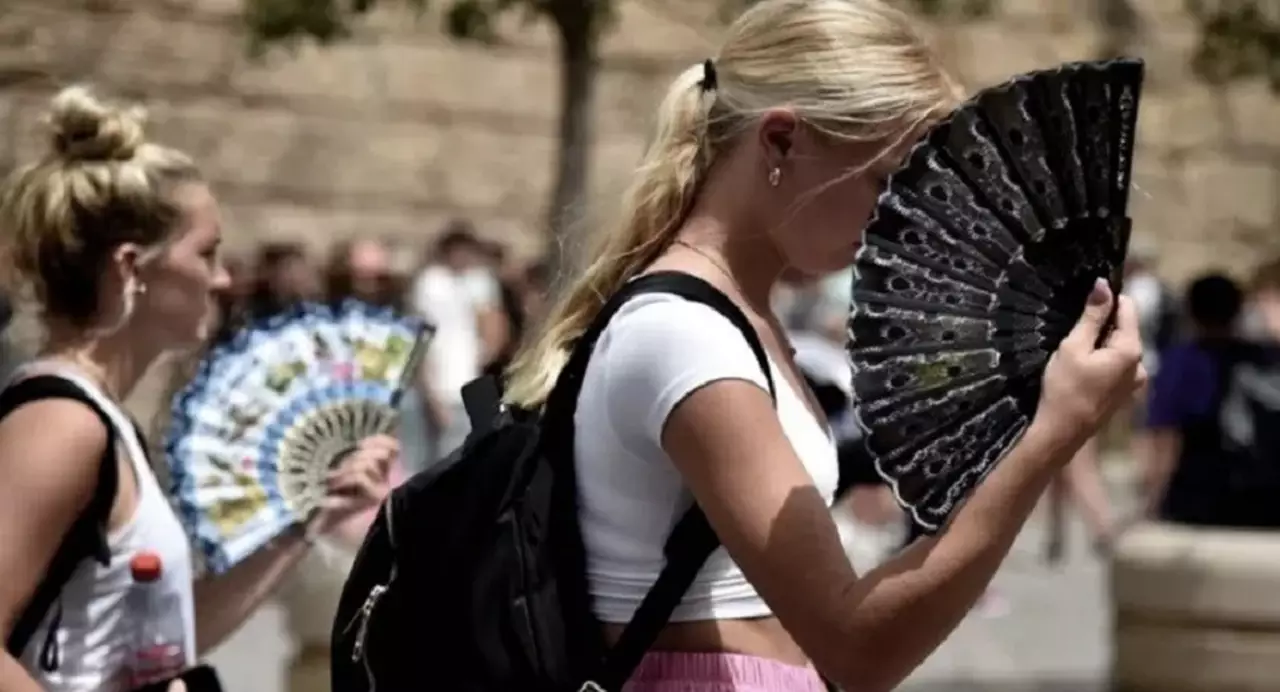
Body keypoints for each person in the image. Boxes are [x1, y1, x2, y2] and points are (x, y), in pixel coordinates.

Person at [501, 1, 1146, 689]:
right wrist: (1053, 435)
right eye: (886, 182)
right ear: (780, 142)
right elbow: (856, 648)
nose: (900, 218)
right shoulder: (684, 340)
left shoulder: (734, 321)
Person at [0, 86, 395, 692]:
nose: (223, 277)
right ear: (131, 269)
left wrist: (307, 520)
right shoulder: (60, 423)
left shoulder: (102, 421)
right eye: (206, 253)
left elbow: (163, 643)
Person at [409, 220, 504, 463]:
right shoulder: (430, 283)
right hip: (433, 387)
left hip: (464, 387)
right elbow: (420, 339)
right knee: (423, 462)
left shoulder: (480, 282)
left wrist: (481, 355)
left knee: (455, 461)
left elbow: (494, 329)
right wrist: (430, 390)